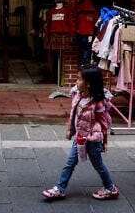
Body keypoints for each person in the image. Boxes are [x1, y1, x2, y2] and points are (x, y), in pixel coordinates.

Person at [42, 64, 119, 201]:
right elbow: (73, 115)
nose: (76, 82)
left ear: (88, 84)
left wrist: (105, 142)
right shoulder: (77, 96)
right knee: (70, 163)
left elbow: (104, 123)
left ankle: (110, 188)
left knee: (98, 165)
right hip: (79, 137)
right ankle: (60, 188)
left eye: (79, 79)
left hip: (93, 140)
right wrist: (69, 130)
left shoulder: (98, 103)